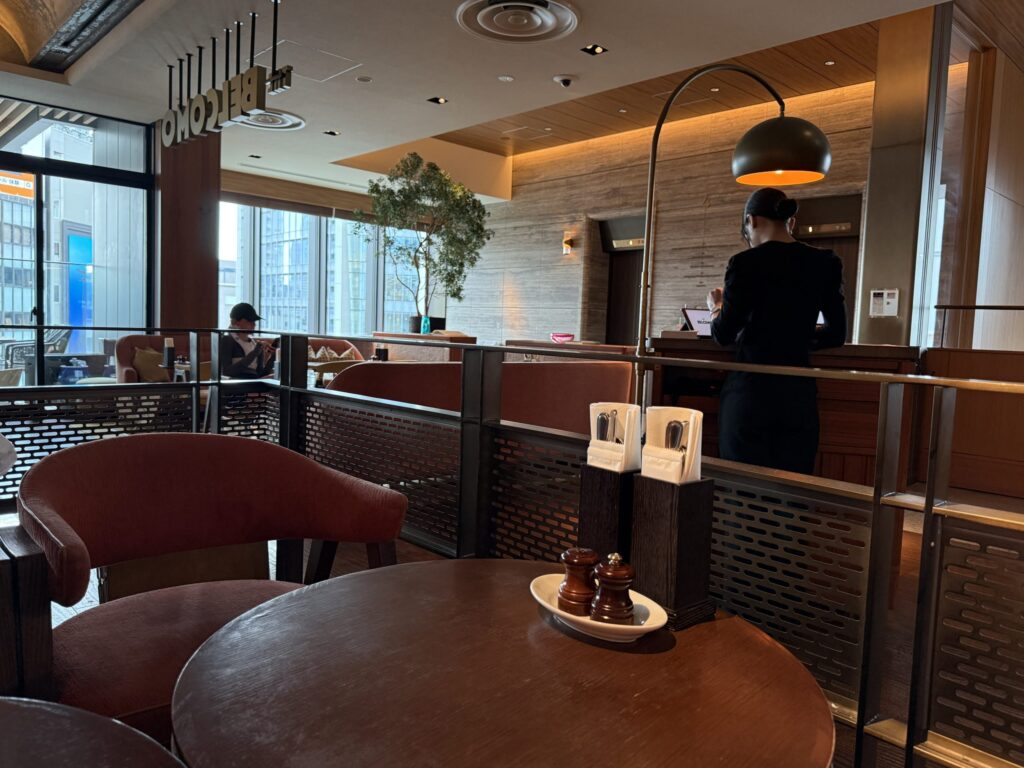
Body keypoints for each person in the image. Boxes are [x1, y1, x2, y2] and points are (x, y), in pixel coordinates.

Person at [707, 187, 847, 474]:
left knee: (743, 489)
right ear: (790, 223)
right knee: (792, 491)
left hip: (750, 393)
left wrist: (716, 307)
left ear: (752, 221)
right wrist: (796, 336)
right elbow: (837, 334)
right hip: (797, 395)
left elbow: (723, 334)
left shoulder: (744, 263)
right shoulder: (825, 262)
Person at [221, 302, 276, 379]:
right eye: (250, 321)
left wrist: (273, 357)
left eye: (254, 321)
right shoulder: (227, 340)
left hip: (252, 385)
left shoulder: (254, 343)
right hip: (236, 386)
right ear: (235, 321)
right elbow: (226, 372)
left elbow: (260, 374)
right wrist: (254, 353)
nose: (254, 324)